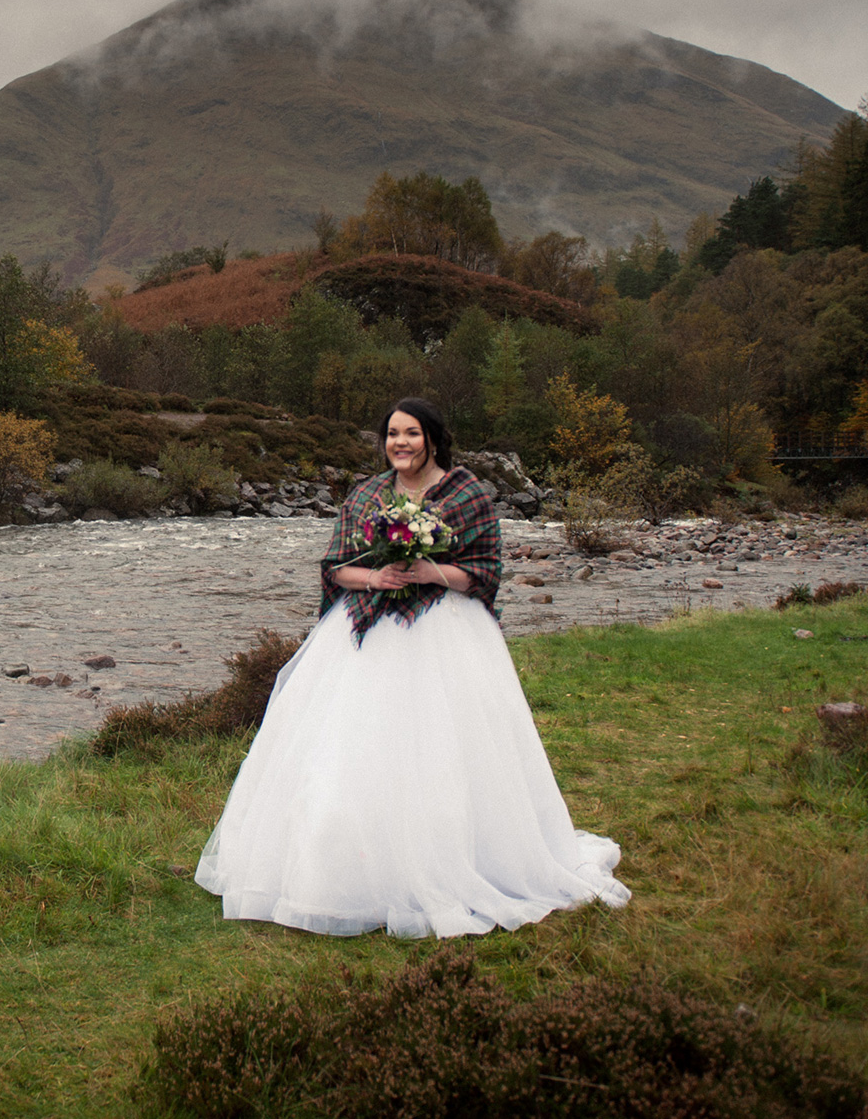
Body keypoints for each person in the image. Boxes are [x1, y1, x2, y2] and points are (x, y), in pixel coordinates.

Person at [195, 398, 630, 937]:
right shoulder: (366, 495)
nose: (401, 443)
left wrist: (430, 569)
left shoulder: (468, 492)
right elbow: (336, 569)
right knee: (352, 750)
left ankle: (455, 859)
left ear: (433, 438)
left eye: (412, 433)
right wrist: (376, 579)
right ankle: (346, 869)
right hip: (365, 630)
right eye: (393, 434)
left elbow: (484, 574)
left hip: (444, 629)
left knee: (442, 748)